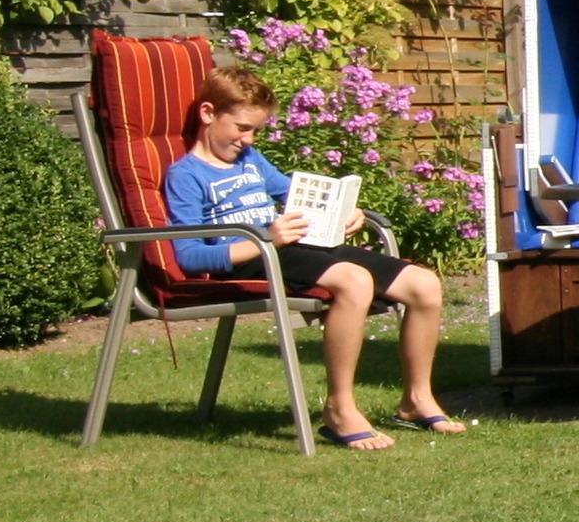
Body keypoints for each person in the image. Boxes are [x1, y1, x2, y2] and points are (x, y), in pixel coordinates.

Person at [164, 62, 462, 449]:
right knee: (354, 281)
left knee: (424, 284)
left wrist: (344, 212)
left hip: (289, 247)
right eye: (242, 128)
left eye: (256, 130)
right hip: (250, 257)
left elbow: (294, 194)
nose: (249, 139)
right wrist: (264, 240)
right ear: (208, 113)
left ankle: (416, 400)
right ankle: (339, 408)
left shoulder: (250, 161)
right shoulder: (186, 176)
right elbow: (188, 256)